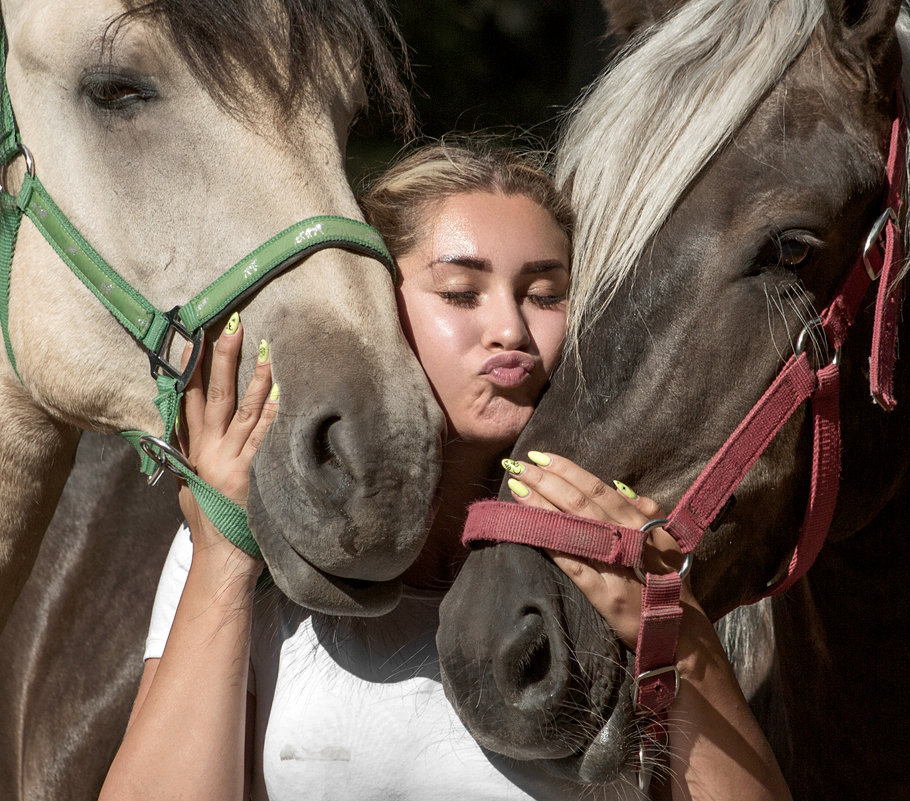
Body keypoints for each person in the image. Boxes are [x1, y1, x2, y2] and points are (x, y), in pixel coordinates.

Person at [99, 140, 789, 801]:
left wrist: (677, 628)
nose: (512, 330)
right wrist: (222, 555)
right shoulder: (249, 541)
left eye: (545, 294)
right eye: (462, 293)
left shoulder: (623, 542)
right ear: (373, 306)